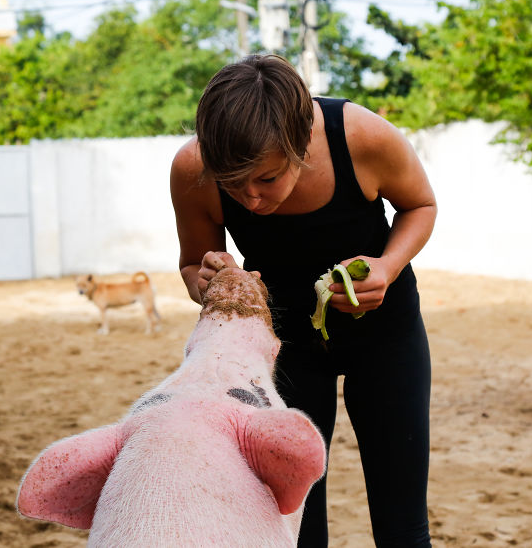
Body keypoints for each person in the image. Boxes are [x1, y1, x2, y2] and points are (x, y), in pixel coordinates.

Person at [170, 53, 437, 547]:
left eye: (267, 178)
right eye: (233, 183)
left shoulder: (361, 136)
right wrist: (209, 281)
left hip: (386, 337)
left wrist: (387, 267)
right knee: (295, 527)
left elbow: (420, 205)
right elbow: (193, 266)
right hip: (281, 346)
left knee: (402, 527)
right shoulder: (193, 167)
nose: (250, 199)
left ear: (301, 144)